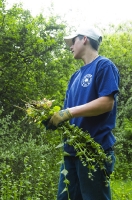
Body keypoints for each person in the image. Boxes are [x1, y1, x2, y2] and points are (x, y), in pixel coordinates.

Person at [48, 26, 120, 200]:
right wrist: (52, 118)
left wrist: (69, 113)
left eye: (73, 41)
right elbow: (68, 112)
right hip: (71, 152)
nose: (70, 47)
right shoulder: (75, 77)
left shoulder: (103, 65)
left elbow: (106, 103)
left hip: (93, 151)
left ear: (85, 39)